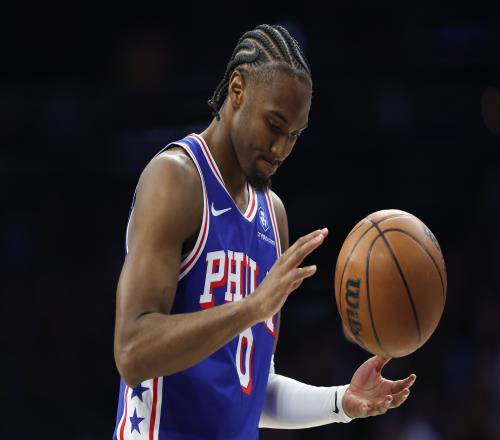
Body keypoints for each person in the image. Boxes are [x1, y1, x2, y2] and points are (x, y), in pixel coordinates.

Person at [112, 24, 416, 439]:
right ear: (237, 89)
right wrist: (250, 309)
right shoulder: (177, 179)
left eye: (294, 135)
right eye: (274, 125)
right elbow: (132, 352)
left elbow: (253, 390)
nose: (281, 149)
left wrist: (340, 402)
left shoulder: (273, 217)